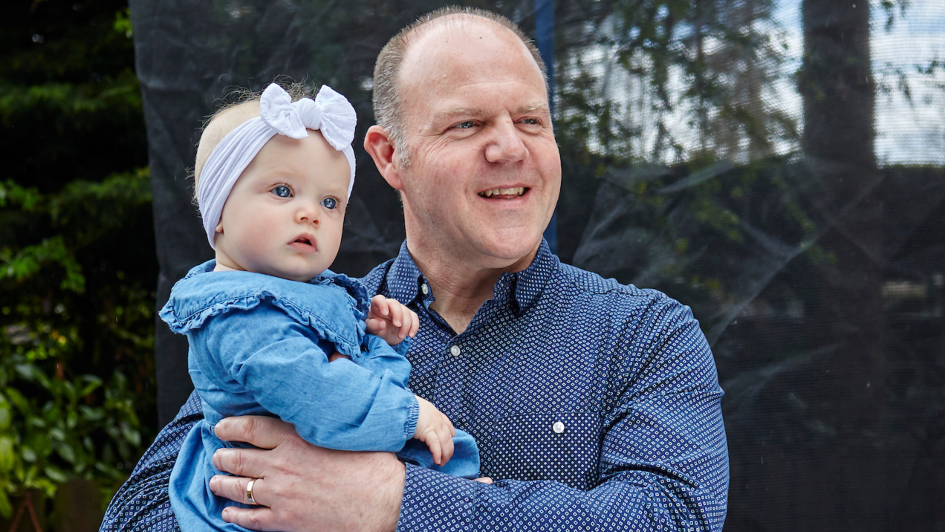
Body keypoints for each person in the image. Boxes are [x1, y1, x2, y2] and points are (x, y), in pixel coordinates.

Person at [102, 6, 728, 531]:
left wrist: (392, 503)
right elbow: (135, 515)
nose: (510, 147)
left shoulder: (647, 335)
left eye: (532, 120)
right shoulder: (299, 317)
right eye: (468, 123)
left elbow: (672, 518)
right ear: (389, 157)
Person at [157, 82, 480, 531]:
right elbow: (319, 392)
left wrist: (373, 338)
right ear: (221, 213)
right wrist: (408, 415)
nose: (311, 213)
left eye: (329, 202)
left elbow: (341, 366)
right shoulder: (240, 315)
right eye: (283, 191)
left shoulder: (298, 291)